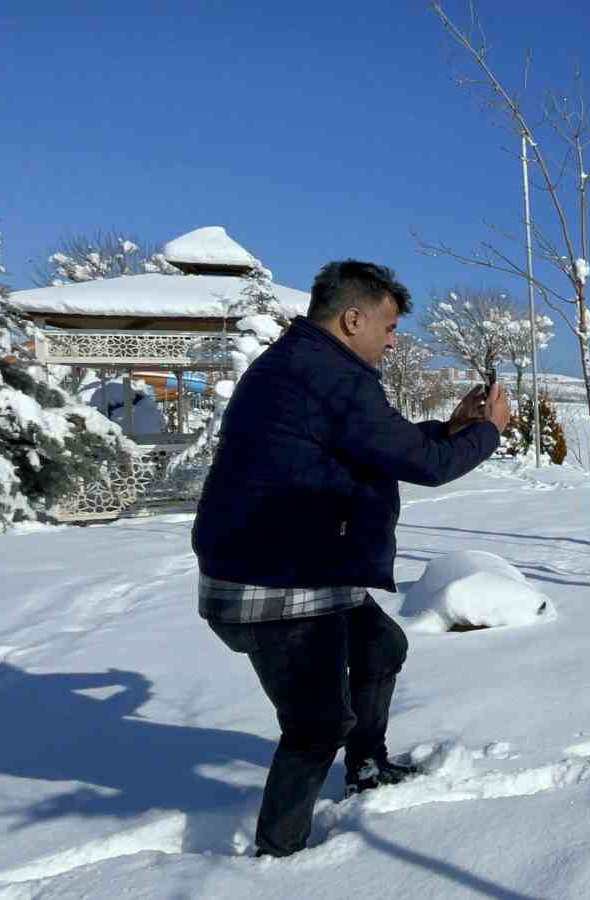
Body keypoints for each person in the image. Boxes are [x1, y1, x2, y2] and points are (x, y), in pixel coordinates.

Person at [192, 259, 507, 857]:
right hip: (277, 580)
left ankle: (366, 768)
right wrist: (486, 431)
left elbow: (378, 444)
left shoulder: (310, 366)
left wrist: (450, 429)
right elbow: (426, 466)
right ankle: (278, 853)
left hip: (299, 566)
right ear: (353, 319)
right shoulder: (325, 376)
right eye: (388, 328)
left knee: (380, 647)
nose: (392, 342)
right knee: (316, 725)